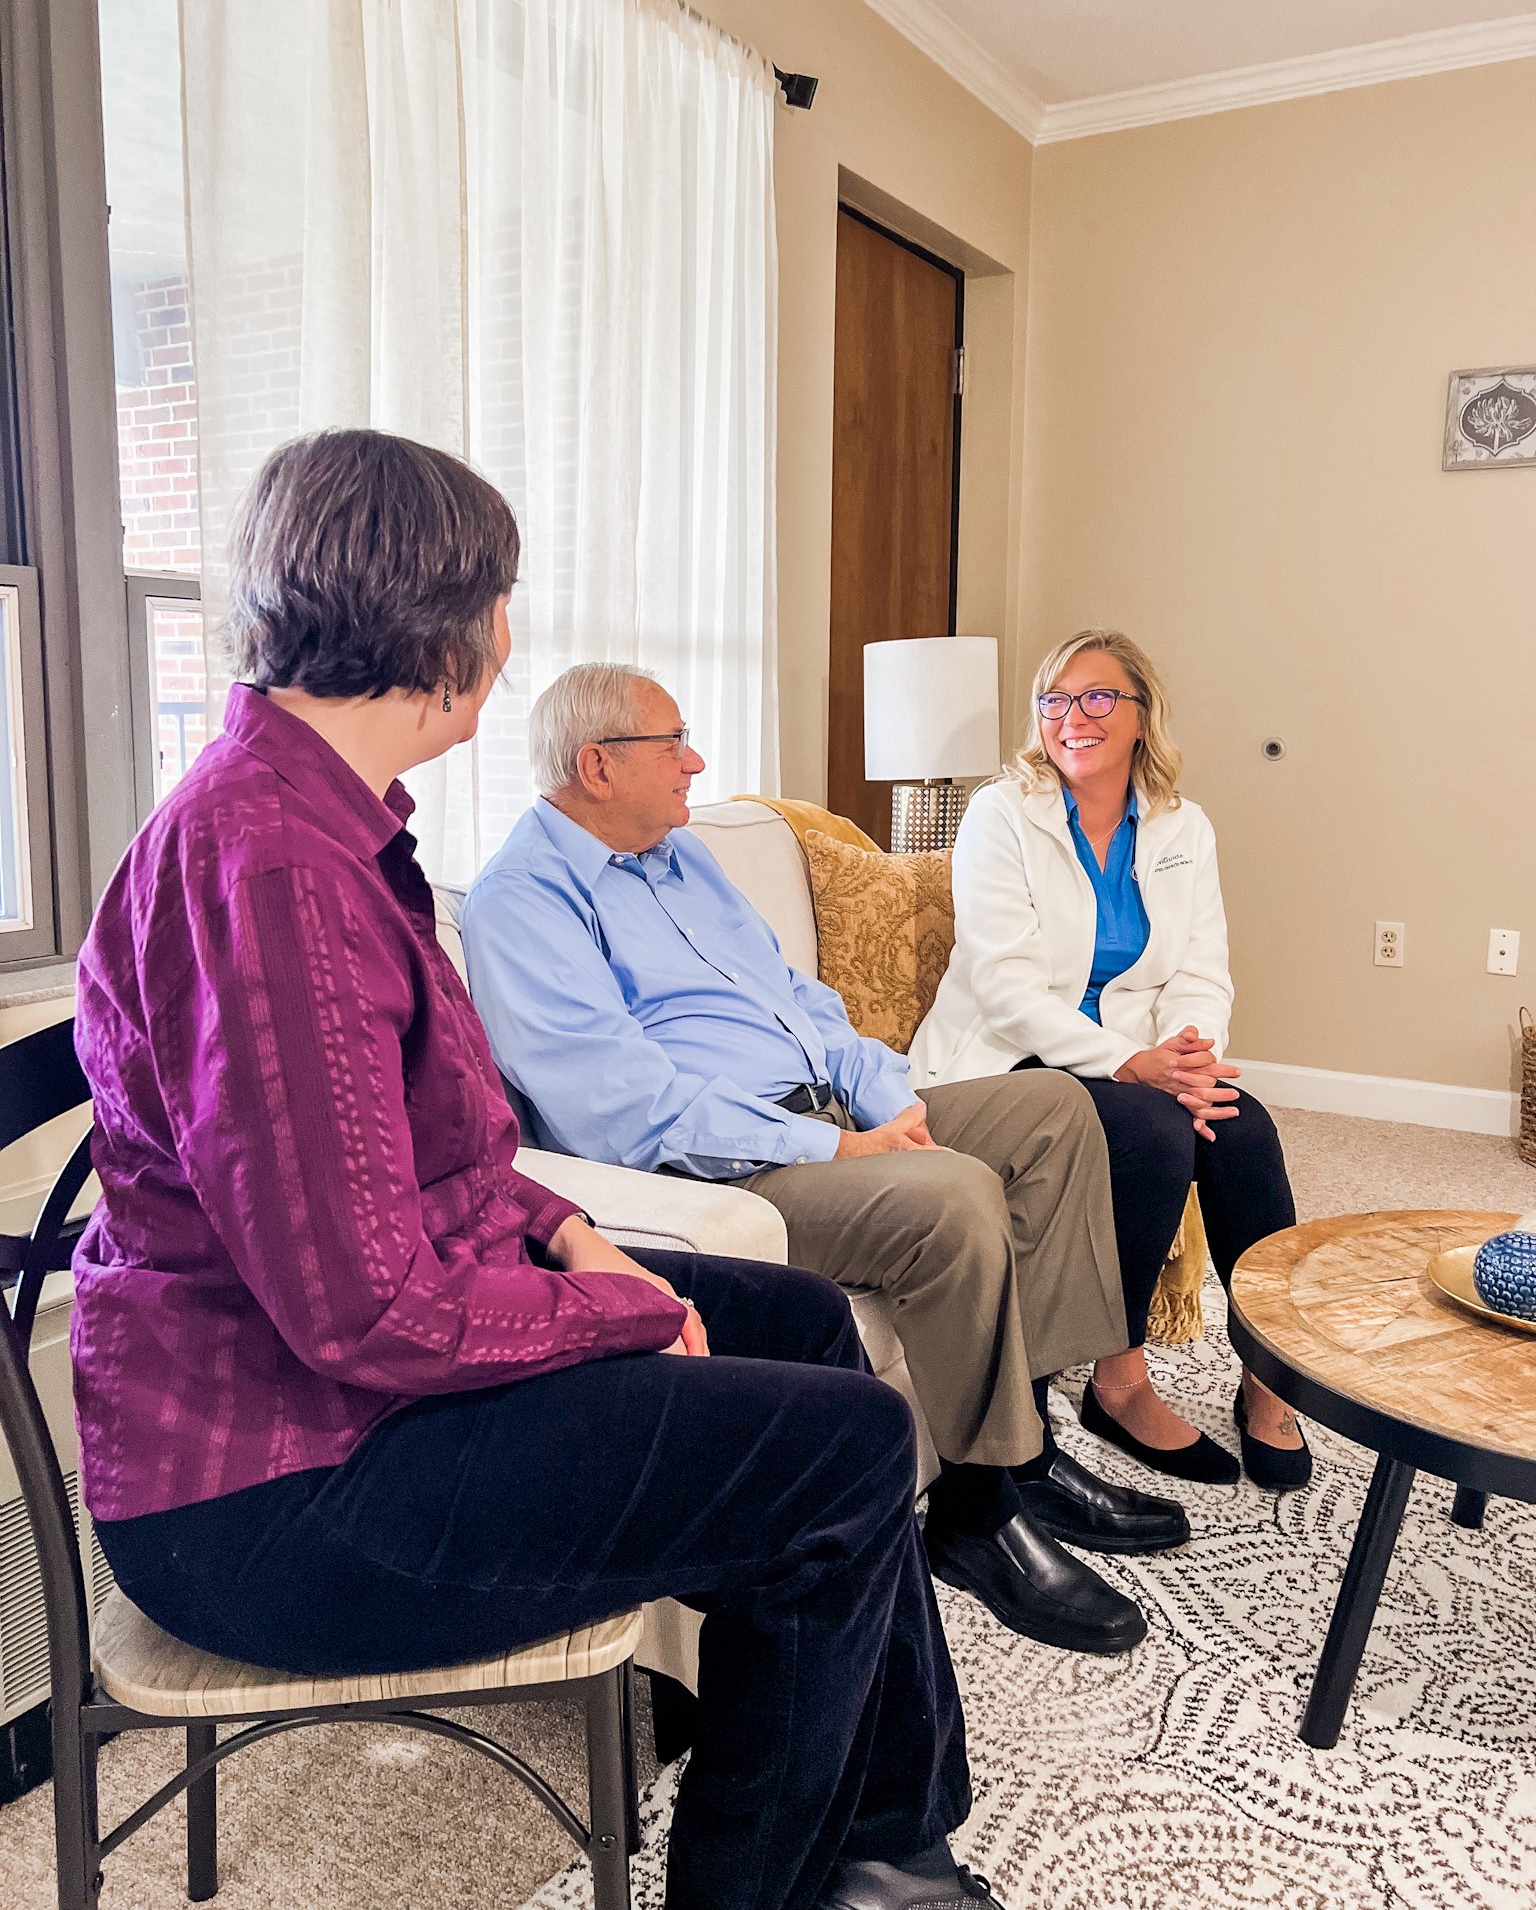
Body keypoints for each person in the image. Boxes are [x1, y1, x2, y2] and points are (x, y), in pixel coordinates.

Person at [70, 429, 1010, 1910]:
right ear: (448, 628)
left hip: (344, 1400)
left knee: (807, 1327)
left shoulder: (321, 822)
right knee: (839, 1454)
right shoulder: (273, 876)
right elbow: (366, 1313)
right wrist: (627, 1315)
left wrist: (574, 1240)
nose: (512, 632)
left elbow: (442, 1150)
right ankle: (777, 1879)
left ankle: (884, 1838)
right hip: (277, 1488)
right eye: (503, 597)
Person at [462, 663, 1193, 1669]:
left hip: (838, 1113)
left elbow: (803, 1005)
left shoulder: (681, 858)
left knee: (1058, 1114)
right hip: (729, 1170)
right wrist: (838, 1144)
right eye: (674, 741)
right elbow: (623, 1109)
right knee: (956, 1198)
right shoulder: (522, 902)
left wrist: (886, 1096)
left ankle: (1027, 1445)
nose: (697, 761)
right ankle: (980, 1511)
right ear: (597, 764)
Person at [908, 629, 1310, 1493]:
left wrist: (1191, 1056)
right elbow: (1005, 986)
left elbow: (1201, 967)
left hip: (1143, 1061)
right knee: (1151, 1135)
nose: (1073, 717)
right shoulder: (1000, 814)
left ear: (1140, 716)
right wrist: (1132, 1063)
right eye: (1055, 699)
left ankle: (1269, 1383)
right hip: (1013, 1058)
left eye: (1098, 697)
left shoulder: (1181, 825)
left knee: (1244, 1132)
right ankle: (1118, 1383)